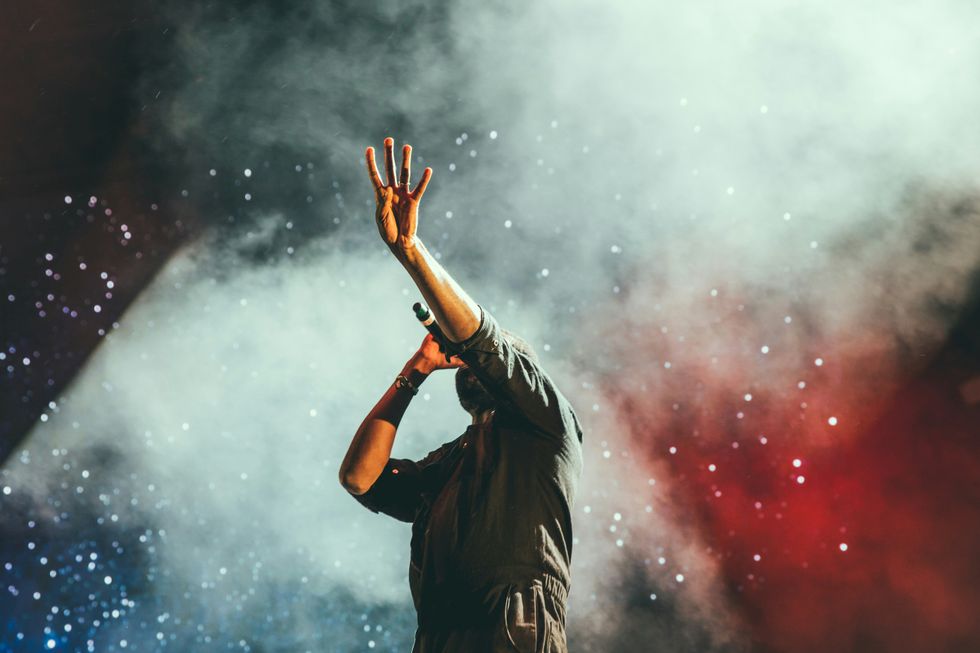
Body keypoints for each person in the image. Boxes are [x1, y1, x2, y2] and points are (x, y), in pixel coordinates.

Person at [339, 137, 584, 652]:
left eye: (486, 359)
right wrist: (416, 370)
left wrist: (411, 252)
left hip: (512, 624)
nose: (468, 360)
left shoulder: (545, 420)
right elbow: (359, 478)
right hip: (438, 633)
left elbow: (482, 339)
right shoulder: (450, 461)